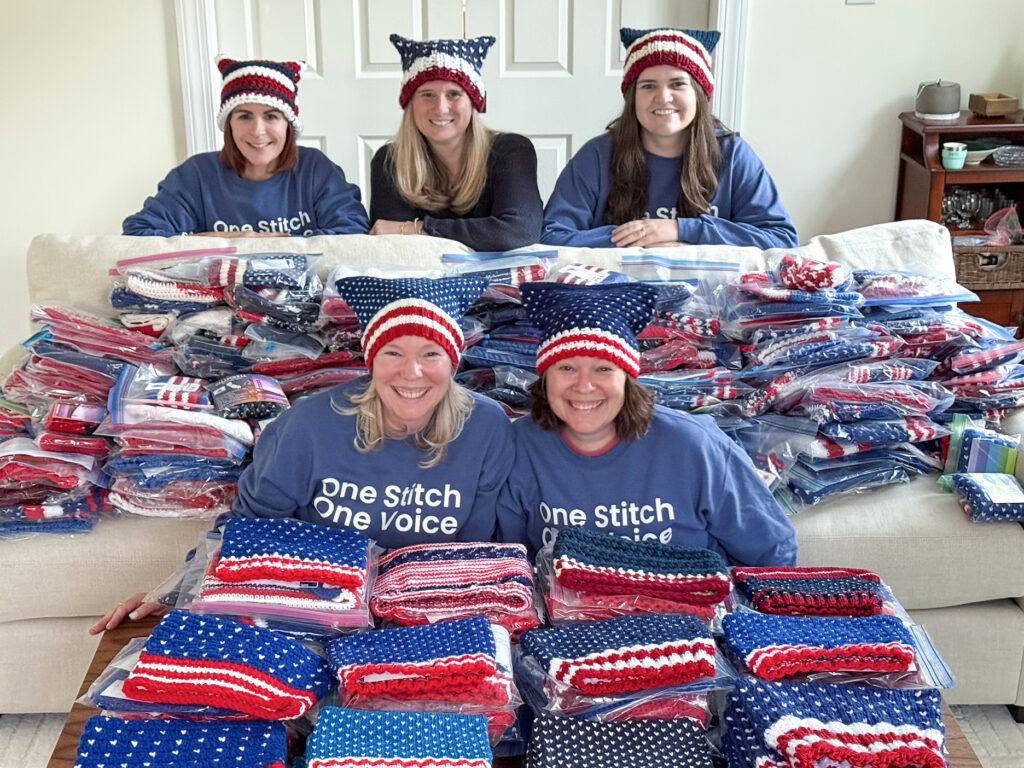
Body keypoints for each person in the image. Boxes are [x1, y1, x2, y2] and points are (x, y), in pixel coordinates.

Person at [92, 275, 513, 633]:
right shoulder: (310, 424)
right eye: (393, 353)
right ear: (371, 358)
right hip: (311, 607)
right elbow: (246, 528)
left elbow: (473, 551)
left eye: (430, 354)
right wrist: (177, 590)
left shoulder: (487, 427)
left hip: (429, 616)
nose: (412, 372)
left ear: (453, 360)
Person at [497, 281, 797, 566]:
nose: (584, 385)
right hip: (568, 616)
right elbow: (511, 564)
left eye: (603, 368)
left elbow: (772, 553)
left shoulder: (694, 445)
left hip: (686, 611)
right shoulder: (517, 446)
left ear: (628, 379)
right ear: (545, 377)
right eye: (567, 367)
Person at [540, 27, 797, 250]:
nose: (663, 97)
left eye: (677, 84)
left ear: (699, 94)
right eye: (648, 85)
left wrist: (680, 230)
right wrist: (643, 238)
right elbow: (551, 237)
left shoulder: (734, 154)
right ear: (632, 97)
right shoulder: (597, 155)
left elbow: (781, 239)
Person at [122, 55, 369, 237]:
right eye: (244, 116)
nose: (258, 131)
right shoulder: (197, 175)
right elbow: (140, 236)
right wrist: (235, 238)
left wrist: (267, 248)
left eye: (271, 116)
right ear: (229, 124)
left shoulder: (315, 169)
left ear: (288, 125)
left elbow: (353, 234)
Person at [368, 34, 543, 251]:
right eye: (427, 94)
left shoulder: (511, 150)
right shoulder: (390, 161)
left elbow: (518, 231)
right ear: (410, 104)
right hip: (419, 281)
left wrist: (417, 228)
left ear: (473, 103)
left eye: (453, 94)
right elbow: (393, 246)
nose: (440, 108)